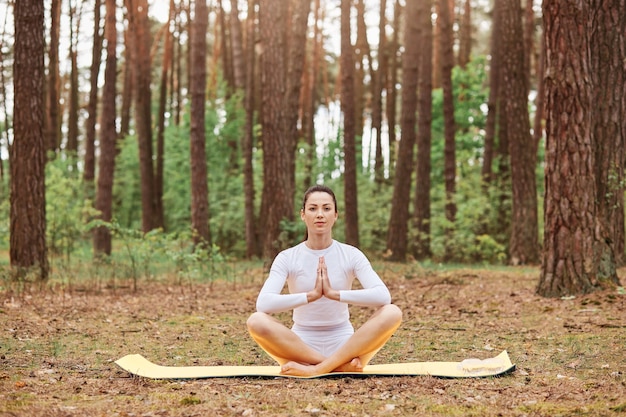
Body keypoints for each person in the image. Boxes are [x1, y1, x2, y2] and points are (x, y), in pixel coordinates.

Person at [247, 185, 402, 376]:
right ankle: (336, 367)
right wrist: (310, 296)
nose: (320, 214)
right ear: (303, 215)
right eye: (313, 209)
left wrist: (333, 294)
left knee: (392, 312)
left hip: (345, 344)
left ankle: (316, 369)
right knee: (256, 321)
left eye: (326, 208)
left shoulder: (351, 254)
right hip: (299, 346)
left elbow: (382, 296)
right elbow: (263, 303)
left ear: (335, 215)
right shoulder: (287, 257)